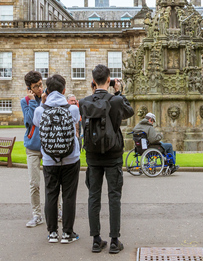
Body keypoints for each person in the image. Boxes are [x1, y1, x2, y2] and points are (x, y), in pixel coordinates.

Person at [79, 64, 134, 254]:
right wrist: (119, 92)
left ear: (93, 81)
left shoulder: (83, 102)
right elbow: (129, 112)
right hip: (113, 154)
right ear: (109, 80)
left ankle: (95, 240)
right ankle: (114, 240)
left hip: (93, 156)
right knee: (114, 197)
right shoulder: (116, 101)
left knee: (93, 197)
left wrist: (93, 93)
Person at [33, 74, 81, 244]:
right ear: (64, 90)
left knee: (51, 195)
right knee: (69, 196)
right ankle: (68, 233)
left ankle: (52, 233)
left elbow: (37, 123)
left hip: (49, 159)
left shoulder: (40, 110)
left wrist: (43, 101)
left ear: (47, 90)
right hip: (71, 158)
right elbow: (75, 122)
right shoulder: (73, 109)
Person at [20, 70, 45, 228]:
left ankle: (58, 210)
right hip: (33, 147)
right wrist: (34, 101)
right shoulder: (25, 101)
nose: (40, 88)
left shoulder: (48, 97)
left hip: (49, 146)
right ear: (29, 88)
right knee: (34, 183)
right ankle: (37, 215)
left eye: (41, 84)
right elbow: (31, 121)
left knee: (52, 183)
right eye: (36, 87)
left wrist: (43, 101)